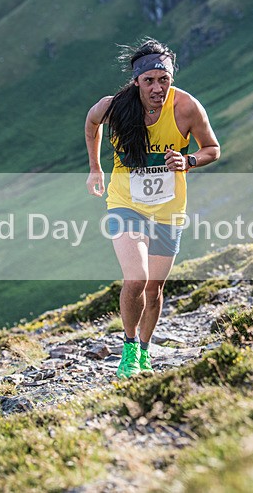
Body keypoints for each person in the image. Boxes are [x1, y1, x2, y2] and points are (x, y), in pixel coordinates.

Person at [84, 38, 221, 379]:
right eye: (150, 81)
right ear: (136, 82)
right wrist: (95, 168)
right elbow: (91, 122)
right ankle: (128, 350)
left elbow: (213, 149)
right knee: (136, 278)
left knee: (154, 288)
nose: (158, 87)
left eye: (164, 79)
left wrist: (189, 159)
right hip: (125, 204)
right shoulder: (114, 106)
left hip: (168, 209)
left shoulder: (187, 107)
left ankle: (145, 349)